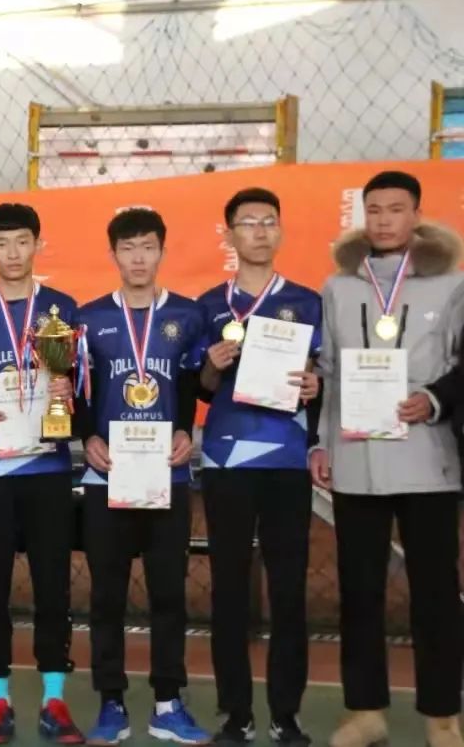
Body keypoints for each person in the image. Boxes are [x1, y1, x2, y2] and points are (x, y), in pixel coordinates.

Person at [310, 171, 464, 747]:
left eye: (395, 209)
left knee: (435, 596)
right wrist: (320, 442)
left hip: (428, 459)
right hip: (356, 461)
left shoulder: (452, 285)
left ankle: (442, 716)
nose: (382, 220)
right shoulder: (337, 287)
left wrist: (434, 399)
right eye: (373, 209)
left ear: (416, 215)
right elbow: (327, 373)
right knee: (360, 593)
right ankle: (366, 712)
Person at [74, 207, 211, 746]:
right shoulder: (87, 319)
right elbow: (76, 391)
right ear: (113, 254)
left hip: (165, 476)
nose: (138, 257)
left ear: (162, 251)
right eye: (128, 248)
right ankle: (110, 701)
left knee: (168, 596)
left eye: (147, 247)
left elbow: (191, 385)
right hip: (107, 477)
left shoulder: (187, 315)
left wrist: (185, 431)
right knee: (106, 596)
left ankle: (167, 702)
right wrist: (86, 436)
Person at [0, 203, 82, 745]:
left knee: (53, 585)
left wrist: (68, 390)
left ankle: (55, 699)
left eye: (22, 241)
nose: (12, 253)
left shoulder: (61, 307)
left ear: (38, 245)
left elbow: (80, 382)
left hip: (49, 464)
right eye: (1, 243)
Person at [196, 188, 322, 746]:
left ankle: (285, 713)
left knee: (289, 590)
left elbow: (320, 377)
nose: (259, 231)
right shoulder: (207, 305)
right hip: (226, 459)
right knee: (228, 588)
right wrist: (210, 365)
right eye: (248, 222)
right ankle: (236, 713)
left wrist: (316, 385)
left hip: (287, 459)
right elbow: (200, 389)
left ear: (281, 231)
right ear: (229, 235)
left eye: (269, 221)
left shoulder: (307, 301)